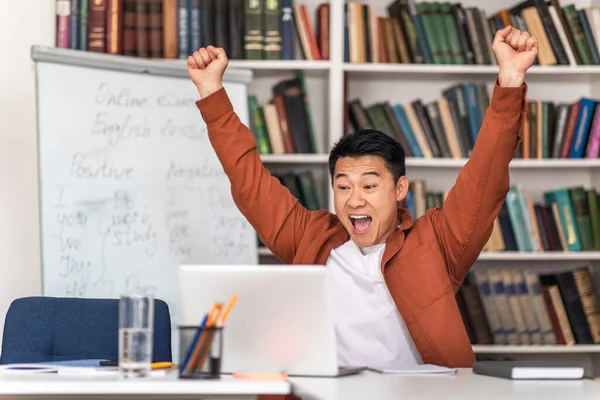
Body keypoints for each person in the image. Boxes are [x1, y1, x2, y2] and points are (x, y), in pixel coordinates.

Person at [186, 26, 537, 370]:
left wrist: (510, 79)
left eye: (369, 186)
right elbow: (248, 181)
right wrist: (210, 90)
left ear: (400, 190)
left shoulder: (438, 243)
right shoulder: (309, 237)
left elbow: (485, 177)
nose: (354, 200)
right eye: (343, 186)